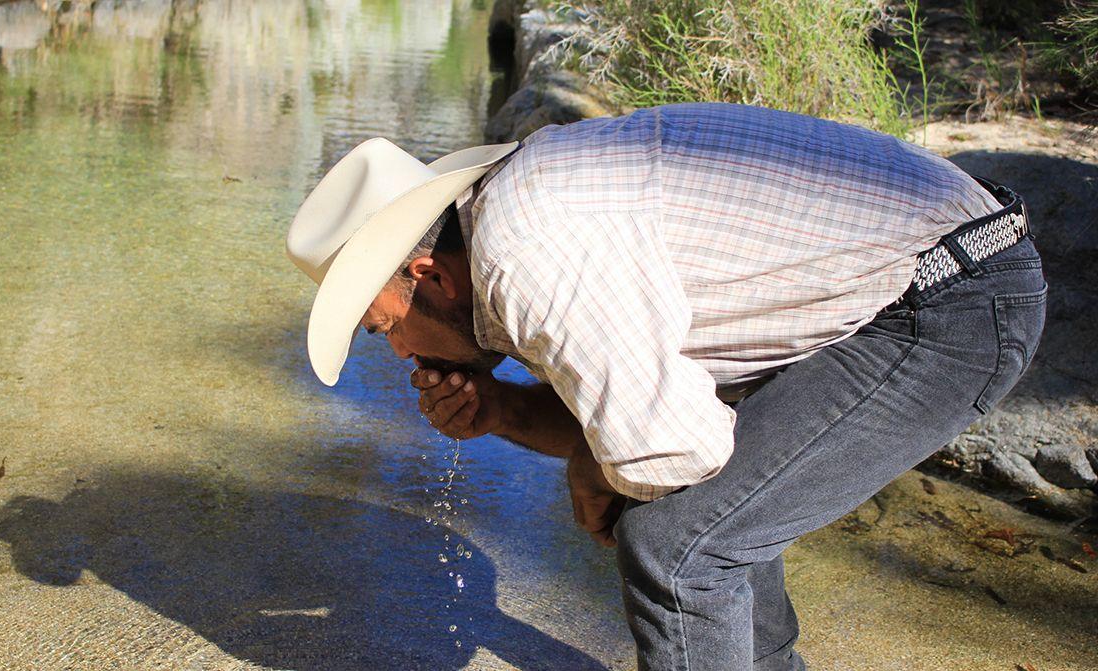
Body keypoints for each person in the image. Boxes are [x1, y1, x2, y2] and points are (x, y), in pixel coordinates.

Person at [285, 103, 1046, 670]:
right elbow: (675, 420)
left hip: (950, 297)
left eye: (385, 327)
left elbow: (674, 455)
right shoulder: (514, 216)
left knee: (677, 547)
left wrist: (599, 463)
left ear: (428, 275)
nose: (398, 354)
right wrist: (503, 411)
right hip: (919, 279)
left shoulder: (523, 254)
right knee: (716, 521)